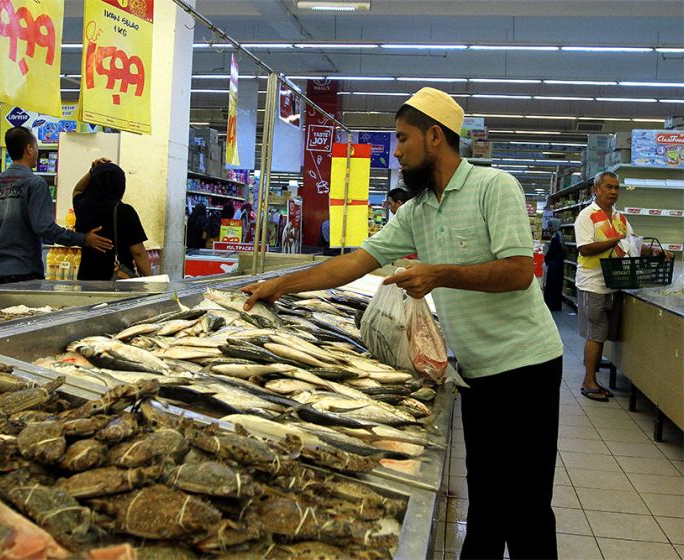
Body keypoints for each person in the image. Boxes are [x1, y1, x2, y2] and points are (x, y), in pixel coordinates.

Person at [242, 87, 563, 559]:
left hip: (526, 367)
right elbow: (355, 262)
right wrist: (280, 286)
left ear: (434, 137)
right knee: (487, 497)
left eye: (402, 139)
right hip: (474, 373)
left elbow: (519, 272)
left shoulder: (495, 187)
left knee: (528, 504)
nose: (396, 152)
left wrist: (439, 274)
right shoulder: (416, 210)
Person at [0, 127, 112, 287]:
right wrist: (83, 239)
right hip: (26, 273)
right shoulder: (34, 184)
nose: (37, 152)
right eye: (36, 147)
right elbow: (45, 228)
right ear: (29, 149)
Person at [574, 171, 670, 402]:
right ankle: (588, 382)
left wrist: (654, 250)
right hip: (592, 283)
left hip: (615, 283)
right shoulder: (587, 216)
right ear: (595, 189)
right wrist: (615, 241)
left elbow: (634, 244)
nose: (614, 191)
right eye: (608, 187)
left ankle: (593, 379)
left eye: (617, 187)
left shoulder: (619, 218)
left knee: (603, 334)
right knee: (595, 335)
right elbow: (584, 248)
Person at [72, 160, 150, 280]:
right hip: (116, 278)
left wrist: (92, 172)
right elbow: (138, 252)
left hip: (86, 278)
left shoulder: (83, 207)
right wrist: (151, 280)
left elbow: (77, 190)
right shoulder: (125, 211)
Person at [543, 218, 564, 311]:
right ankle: (556, 305)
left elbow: (552, 251)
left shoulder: (556, 236)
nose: (548, 228)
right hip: (559, 265)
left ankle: (552, 305)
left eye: (550, 225)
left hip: (554, 266)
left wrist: (546, 258)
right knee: (557, 286)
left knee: (552, 286)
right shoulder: (560, 235)